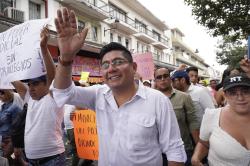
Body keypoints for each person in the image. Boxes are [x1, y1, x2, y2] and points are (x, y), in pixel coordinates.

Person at [51, 8, 186, 166]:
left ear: (134, 67)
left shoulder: (158, 101)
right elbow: (62, 93)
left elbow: (174, 149)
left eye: (118, 62)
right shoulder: (98, 94)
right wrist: (66, 57)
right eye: (106, 65)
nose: (111, 69)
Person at [12, 27, 65, 165]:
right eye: (29, 85)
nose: (31, 88)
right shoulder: (30, 99)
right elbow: (11, 77)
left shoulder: (53, 97)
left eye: (35, 84)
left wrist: (43, 47)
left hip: (52, 159)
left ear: (46, 83)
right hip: (31, 160)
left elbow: (52, 75)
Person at [191, 74, 250, 166]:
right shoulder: (212, 116)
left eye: (245, 91)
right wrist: (196, 157)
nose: (240, 98)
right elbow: (204, 143)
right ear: (225, 95)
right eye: (233, 93)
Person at [154, 67, 200, 166]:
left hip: (183, 149)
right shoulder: (151, 100)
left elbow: (193, 122)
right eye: (159, 77)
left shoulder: (184, 97)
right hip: (159, 152)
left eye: (165, 76)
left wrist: (198, 147)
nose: (163, 79)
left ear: (170, 79)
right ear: (155, 81)